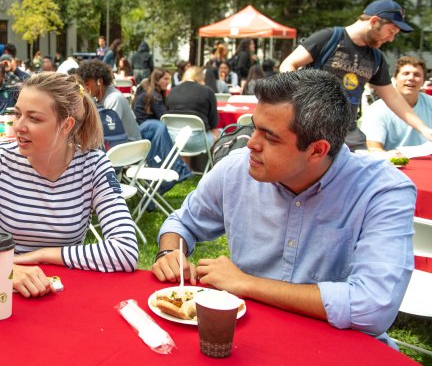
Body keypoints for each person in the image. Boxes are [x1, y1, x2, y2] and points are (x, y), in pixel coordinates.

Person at [152, 69, 415, 346]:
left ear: (317, 150)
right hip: (251, 341)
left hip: (341, 347)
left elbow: (372, 307)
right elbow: (182, 222)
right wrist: (170, 250)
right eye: (254, 127)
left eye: (270, 137)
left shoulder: (382, 191)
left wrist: (248, 284)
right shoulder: (236, 169)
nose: (251, 143)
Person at [0, 73, 138, 298]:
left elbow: (126, 250)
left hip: (64, 293)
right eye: (17, 115)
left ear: (66, 125)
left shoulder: (93, 165)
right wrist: (4, 271)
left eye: (34, 119)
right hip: (3, 295)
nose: (18, 127)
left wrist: (44, 255)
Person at [280, 0, 432, 148]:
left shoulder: (377, 58)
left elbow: (392, 98)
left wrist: (424, 129)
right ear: (374, 21)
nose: (391, 39)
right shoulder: (329, 38)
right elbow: (288, 64)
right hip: (312, 129)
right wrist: (303, 99)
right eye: (391, 31)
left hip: (348, 136)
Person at [132, 69, 193, 179]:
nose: (168, 82)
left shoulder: (147, 91)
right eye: (165, 79)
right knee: (162, 127)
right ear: (156, 79)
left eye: (169, 79)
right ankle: (179, 169)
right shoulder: (154, 95)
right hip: (145, 130)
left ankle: (179, 169)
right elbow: (164, 116)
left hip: (144, 129)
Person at [362, 56, 432, 151]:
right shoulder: (377, 109)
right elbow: (373, 148)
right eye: (406, 73)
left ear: (424, 81)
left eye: (417, 75)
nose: (411, 78)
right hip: (393, 164)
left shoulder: (430, 103)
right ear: (394, 78)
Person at [78, 60, 141, 141]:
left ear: (99, 81)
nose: (84, 88)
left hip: (129, 145)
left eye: (87, 84)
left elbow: (109, 130)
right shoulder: (95, 98)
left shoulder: (114, 98)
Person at [165, 66, 220, 141]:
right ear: (201, 77)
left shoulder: (172, 91)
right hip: (197, 141)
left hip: (174, 139)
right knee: (221, 132)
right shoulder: (207, 91)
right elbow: (214, 123)